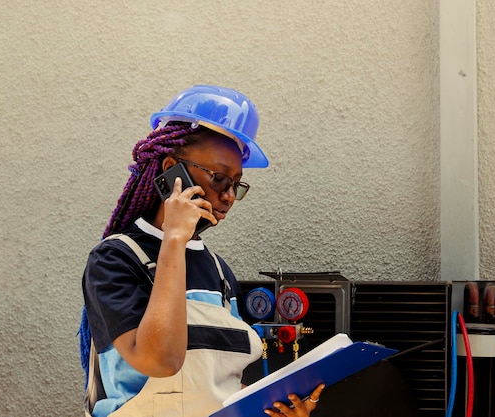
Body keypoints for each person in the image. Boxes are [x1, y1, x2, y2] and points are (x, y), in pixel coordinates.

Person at [81, 85, 324, 417]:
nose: (227, 196)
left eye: (236, 185)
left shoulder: (220, 272)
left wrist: (276, 409)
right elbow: (161, 360)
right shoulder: (116, 259)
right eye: (220, 178)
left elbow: (217, 388)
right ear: (171, 169)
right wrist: (174, 241)